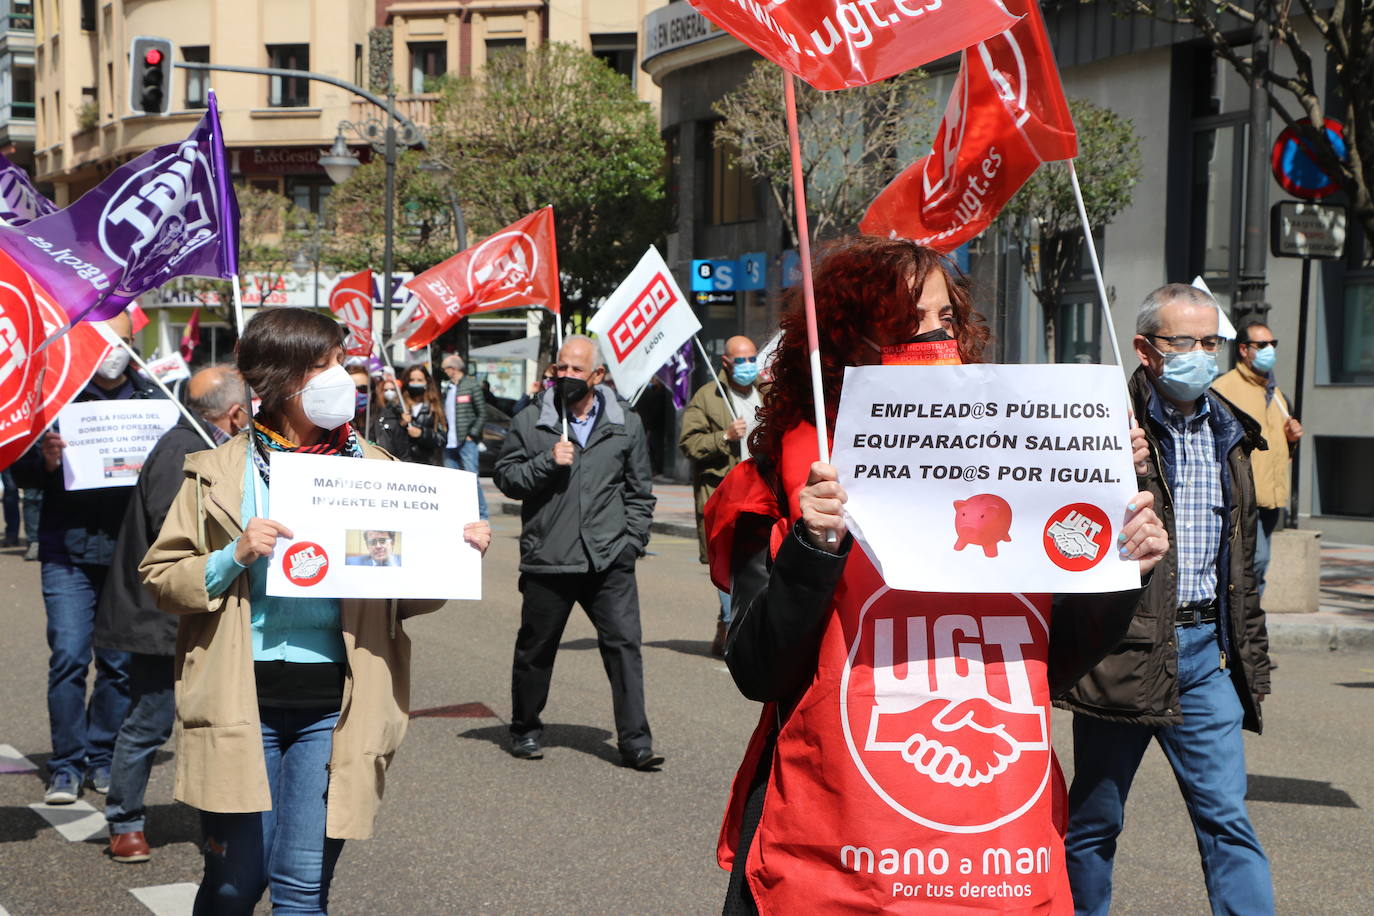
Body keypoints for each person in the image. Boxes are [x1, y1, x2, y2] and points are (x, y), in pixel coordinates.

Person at [706, 237, 1168, 915]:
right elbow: (758, 670)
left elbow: (1054, 663)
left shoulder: (1022, 456)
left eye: (945, 320)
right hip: (838, 844)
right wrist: (812, 544)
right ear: (846, 338)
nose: (933, 337)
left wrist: (1120, 555)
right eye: (904, 323)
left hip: (993, 853)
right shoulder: (788, 472)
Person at [139, 308, 491, 914]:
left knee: (303, 891)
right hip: (237, 700)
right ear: (281, 380)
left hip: (334, 705)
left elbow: (404, 597)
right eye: (325, 365)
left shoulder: (378, 471)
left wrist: (452, 553)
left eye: (342, 362)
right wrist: (233, 555)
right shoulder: (218, 472)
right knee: (234, 884)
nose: (343, 377)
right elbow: (162, 579)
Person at [1060, 283, 1273, 916]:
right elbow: (1064, 539)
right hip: (1121, 650)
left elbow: (1239, 567)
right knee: (1095, 823)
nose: (1202, 355)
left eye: (1212, 342)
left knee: (1227, 820)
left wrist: (1251, 659)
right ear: (1145, 349)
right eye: (1185, 342)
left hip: (1206, 654)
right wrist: (1110, 469)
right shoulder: (1100, 430)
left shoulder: (1232, 431)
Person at [96, 365, 250, 864]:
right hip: (164, 618)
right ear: (233, 413)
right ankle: (125, 820)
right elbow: (176, 536)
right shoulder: (182, 449)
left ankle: (216, 825)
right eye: (247, 412)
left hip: (201, 612)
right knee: (150, 721)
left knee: (213, 724)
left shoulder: (208, 443)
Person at [10, 310, 164, 805]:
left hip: (127, 553)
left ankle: (102, 757)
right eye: (103, 340)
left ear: (133, 341)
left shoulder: (153, 398)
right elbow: (20, 469)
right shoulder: (56, 396)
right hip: (67, 550)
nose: (114, 350)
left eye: (121, 340)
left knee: (119, 664)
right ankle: (66, 765)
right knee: (70, 657)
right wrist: (46, 461)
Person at [494, 334, 662, 770]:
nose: (565, 376)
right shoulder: (532, 419)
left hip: (609, 560)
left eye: (575, 369)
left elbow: (639, 491)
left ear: (597, 376)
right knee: (536, 649)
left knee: (624, 646)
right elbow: (508, 478)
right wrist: (548, 461)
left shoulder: (626, 422)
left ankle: (635, 742)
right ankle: (525, 728)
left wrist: (632, 542)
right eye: (560, 368)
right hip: (549, 558)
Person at [679, 335, 762, 655]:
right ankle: (732, 629)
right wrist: (724, 437)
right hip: (725, 496)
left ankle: (734, 626)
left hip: (763, 494)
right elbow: (689, 443)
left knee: (758, 564)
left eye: (752, 359)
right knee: (728, 565)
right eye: (740, 361)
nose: (747, 366)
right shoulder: (707, 397)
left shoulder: (768, 394)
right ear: (725, 363)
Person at [1212, 320, 1302, 597]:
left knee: (1258, 567)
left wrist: (1291, 440)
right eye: (1261, 345)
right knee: (1254, 563)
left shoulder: (1275, 394)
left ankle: (1249, 625)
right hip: (1243, 496)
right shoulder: (1224, 388)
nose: (1269, 350)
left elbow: (1279, 452)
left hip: (1271, 498)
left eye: (1272, 345)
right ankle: (1241, 623)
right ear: (1243, 349)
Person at [441, 354, 488, 519]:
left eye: (445, 368)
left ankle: (482, 515)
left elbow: (482, 413)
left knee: (471, 480)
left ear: (453, 369)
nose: (444, 372)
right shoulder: (448, 388)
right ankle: (456, 515)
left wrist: (472, 434)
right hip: (450, 441)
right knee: (451, 481)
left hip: (465, 441)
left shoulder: (471, 385)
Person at [399, 363, 445, 466]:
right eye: (412, 380)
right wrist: (401, 424)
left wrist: (422, 434)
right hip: (403, 463)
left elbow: (441, 439)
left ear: (427, 382)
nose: (415, 383)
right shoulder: (398, 406)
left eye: (419, 380)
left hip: (427, 463)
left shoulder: (435, 408)